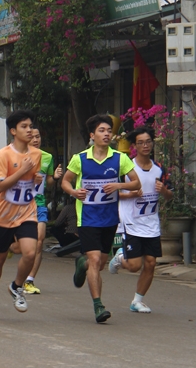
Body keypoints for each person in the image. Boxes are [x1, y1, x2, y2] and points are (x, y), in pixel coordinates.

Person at [62, 114, 140, 323]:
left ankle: (82, 263)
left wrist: (119, 185)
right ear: (92, 135)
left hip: (109, 219)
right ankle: (98, 306)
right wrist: (74, 192)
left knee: (100, 263)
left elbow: (136, 183)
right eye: (102, 131)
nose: (107, 134)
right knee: (95, 260)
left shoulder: (119, 158)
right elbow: (65, 181)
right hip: (87, 218)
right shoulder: (80, 159)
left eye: (109, 131)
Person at [0, 110, 44, 320]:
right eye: (24, 127)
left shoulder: (36, 154)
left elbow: (31, 179)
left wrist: (34, 178)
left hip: (27, 211)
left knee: (30, 252)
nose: (29, 130)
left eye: (30, 126)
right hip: (3, 215)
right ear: (13, 131)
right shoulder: (3, 155)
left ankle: (16, 286)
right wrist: (21, 171)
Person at [108, 126, 173, 313]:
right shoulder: (127, 167)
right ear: (134, 146)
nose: (145, 145)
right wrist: (131, 195)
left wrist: (164, 191)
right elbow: (112, 193)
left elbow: (170, 196)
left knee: (151, 262)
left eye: (148, 141)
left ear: (152, 143)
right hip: (131, 223)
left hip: (151, 223)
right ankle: (120, 257)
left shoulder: (159, 169)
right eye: (141, 142)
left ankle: (137, 301)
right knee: (135, 266)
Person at [21, 127, 63, 294]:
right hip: (21, 205)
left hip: (39, 204)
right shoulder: (19, 156)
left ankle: (30, 280)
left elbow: (48, 182)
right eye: (33, 137)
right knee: (20, 244)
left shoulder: (47, 157)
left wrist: (56, 177)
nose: (36, 140)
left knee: (39, 241)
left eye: (38, 136)